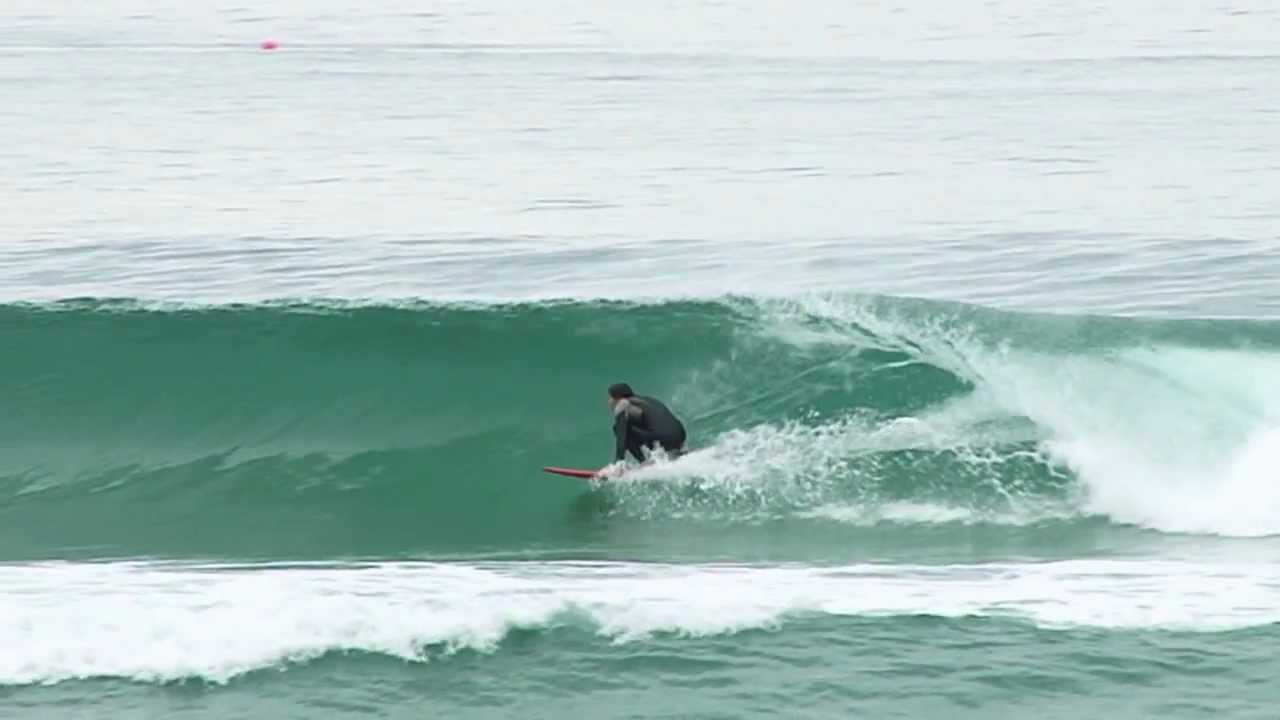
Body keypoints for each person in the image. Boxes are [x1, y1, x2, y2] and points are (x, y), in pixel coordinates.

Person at [607, 382, 686, 463]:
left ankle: (643, 462)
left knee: (617, 428)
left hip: (664, 439)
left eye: (610, 397)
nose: (609, 401)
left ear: (618, 397)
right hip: (680, 435)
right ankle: (677, 452)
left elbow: (621, 435)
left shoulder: (623, 404)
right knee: (648, 427)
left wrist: (619, 460)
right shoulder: (648, 400)